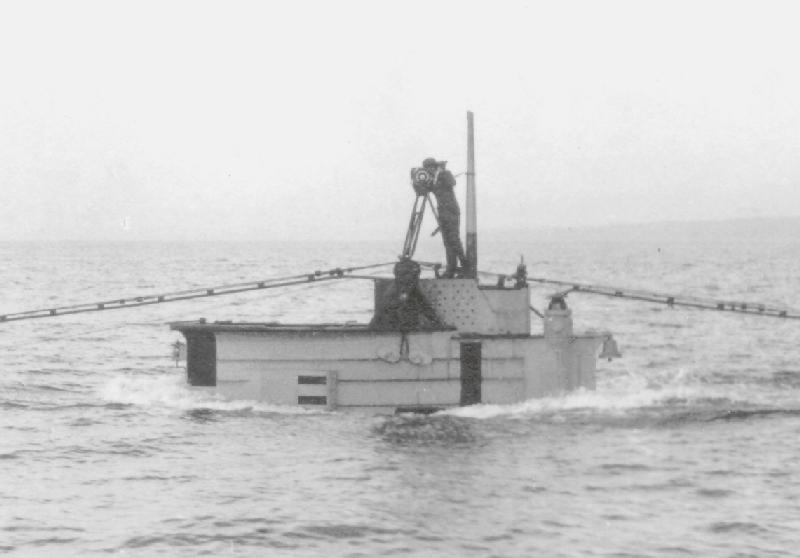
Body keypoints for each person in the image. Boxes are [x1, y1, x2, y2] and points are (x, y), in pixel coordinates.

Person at [422, 157, 468, 277]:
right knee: (447, 242)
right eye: (427, 170)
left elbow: (452, 182)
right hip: (443, 214)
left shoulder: (444, 174)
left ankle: (466, 267)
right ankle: (451, 269)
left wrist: (442, 172)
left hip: (451, 212)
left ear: (434, 167)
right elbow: (427, 189)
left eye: (430, 168)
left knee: (454, 240)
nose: (429, 171)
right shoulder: (434, 180)